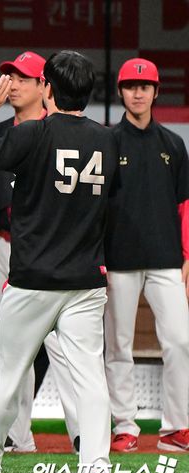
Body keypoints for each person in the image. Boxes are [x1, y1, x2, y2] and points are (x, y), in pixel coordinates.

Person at [0, 51, 117, 473]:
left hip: (33, 278)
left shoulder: (33, 132)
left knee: (9, 376)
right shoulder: (107, 141)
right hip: (86, 278)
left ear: (47, 87)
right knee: (90, 377)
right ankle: (96, 469)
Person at [0, 51, 80, 454]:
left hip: (54, 250)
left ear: (45, 85)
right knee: (14, 346)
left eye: (23, 78)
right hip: (4, 245)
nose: (13, 85)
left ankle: (82, 434)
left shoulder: (59, 132)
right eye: (10, 77)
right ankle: (17, 434)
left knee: (62, 346)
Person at [104, 57, 189, 453]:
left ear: (156, 92)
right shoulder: (108, 141)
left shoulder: (173, 144)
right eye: (130, 86)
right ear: (120, 91)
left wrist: (187, 255)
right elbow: (96, 206)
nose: (137, 93)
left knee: (180, 342)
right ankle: (125, 425)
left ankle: (176, 428)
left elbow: (185, 205)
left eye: (144, 86)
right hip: (118, 259)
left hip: (167, 258)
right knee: (118, 346)